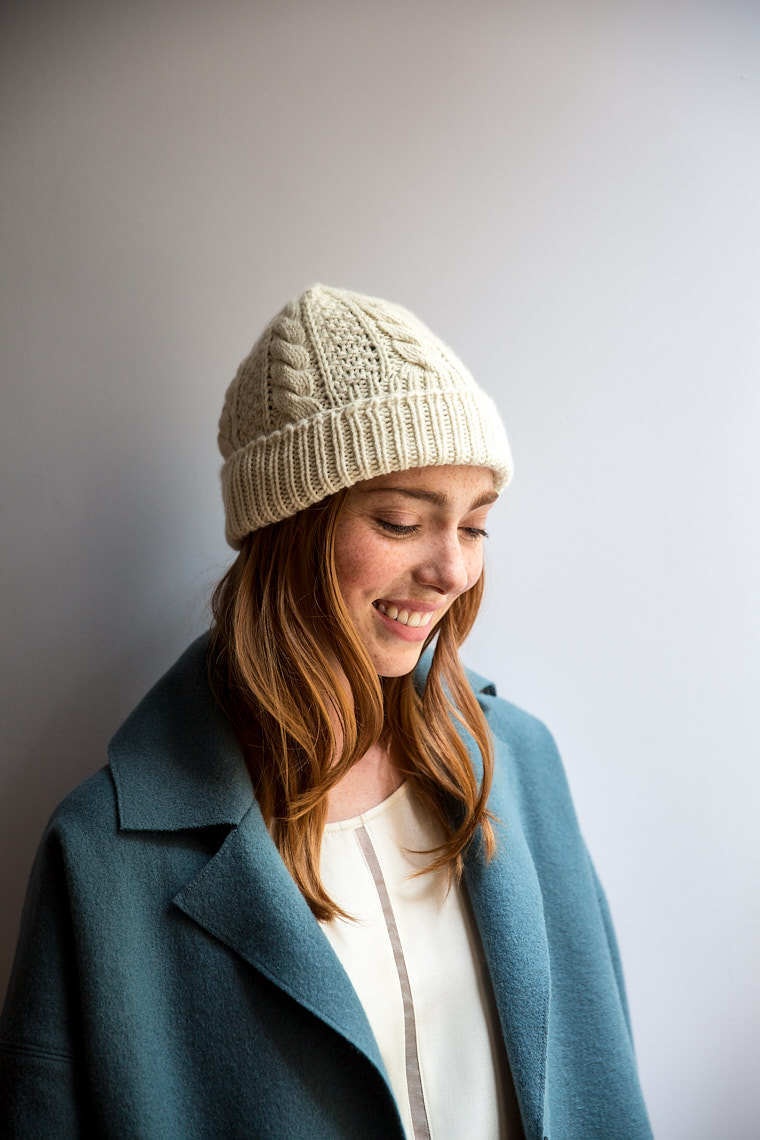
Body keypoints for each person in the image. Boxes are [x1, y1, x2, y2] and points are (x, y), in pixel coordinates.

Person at [0, 283, 653, 1139]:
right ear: (289, 531)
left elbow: (601, 1083)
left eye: (476, 526)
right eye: (400, 519)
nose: (453, 571)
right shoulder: (104, 856)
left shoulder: (520, 766)